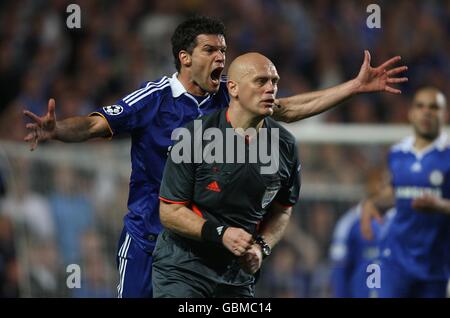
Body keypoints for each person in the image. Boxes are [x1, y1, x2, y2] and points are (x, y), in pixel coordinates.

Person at [23, 16, 407, 298]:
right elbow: (94, 126)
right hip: (149, 236)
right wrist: (57, 131)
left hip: (204, 247)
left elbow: (287, 109)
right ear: (185, 58)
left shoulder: (233, 95)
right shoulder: (155, 99)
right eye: (210, 50)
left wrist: (353, 87)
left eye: (224, 50)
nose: (221, 58)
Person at [153, 52, 299, 297]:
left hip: (236, 277)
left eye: (274, 82)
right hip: (183, 270)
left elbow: (283, 209)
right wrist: (220, 233)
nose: (270, 89)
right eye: (261, 81)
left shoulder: (285, 145)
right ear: (233, 87)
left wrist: (261, 247)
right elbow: (169, 212)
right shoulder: (193, 137)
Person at [361, 87, 450, 298]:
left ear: (444, 114)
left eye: (433, 107)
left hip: (435, 263)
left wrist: (440, 205)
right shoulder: (397, 153)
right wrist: (371, 203)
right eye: (420, 106)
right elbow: (396, 191)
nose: (426, 112)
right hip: (396, 260)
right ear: (411, 113)